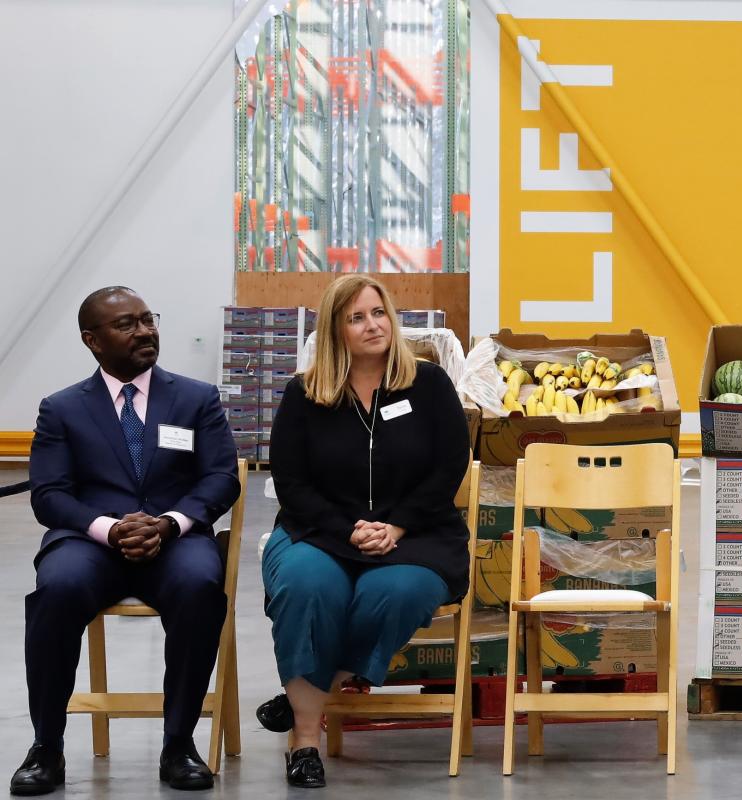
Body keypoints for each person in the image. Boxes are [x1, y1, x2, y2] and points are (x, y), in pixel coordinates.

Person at [17, 287, 240, 795]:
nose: (144, 331)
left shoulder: (196, 397)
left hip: (176, 538)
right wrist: (109, 528)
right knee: (56, 589)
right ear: (92, 340)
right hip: (88, 541)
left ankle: (179, 744)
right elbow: (49, 494)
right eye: (127, 325)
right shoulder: (61, 409)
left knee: (201, 586)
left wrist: (169, 522)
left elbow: (220, 477)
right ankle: (46, 747)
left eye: (148, 319)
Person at [256, 275, 469, 788]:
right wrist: (348, 530)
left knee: (393, 592)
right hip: (319, 531)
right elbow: (291, 481)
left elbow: (449, 467)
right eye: (356, 317)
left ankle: (306, 694)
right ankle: (306, 742)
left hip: (417, 533)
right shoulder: (305, 394)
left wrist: (396, 525)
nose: (372, 325)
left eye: (378, 312)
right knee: (309, 587)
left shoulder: (430, 384)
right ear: (335, 330)